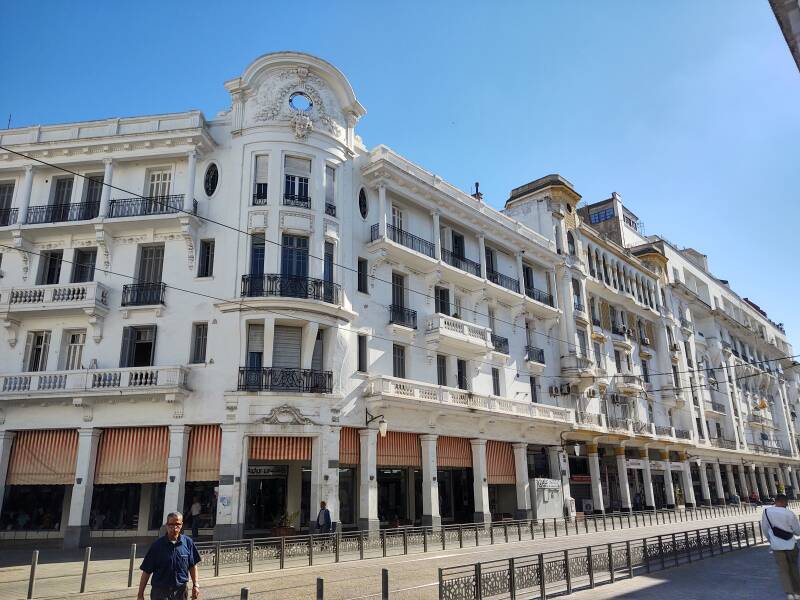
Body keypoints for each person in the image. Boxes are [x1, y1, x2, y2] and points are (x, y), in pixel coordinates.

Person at [137, 512, 201, 600]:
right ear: (166, 525)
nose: (174, 527)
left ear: (181, 525)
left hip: (180, 592)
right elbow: (146, 571)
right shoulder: (157, 545)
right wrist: (140, 594)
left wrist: (196, 585)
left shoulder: (188, 543)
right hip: (160, 593)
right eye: (171, 524)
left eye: (177, 524)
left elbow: (192, 565)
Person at [761, 493, 800, 598]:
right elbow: (797, 531)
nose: (787, 505)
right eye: (786, 503)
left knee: (783, 570)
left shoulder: (766, 512)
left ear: (776, 501)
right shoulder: (789, 514)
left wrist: (771, 540)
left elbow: (765, 529)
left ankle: (789, 593)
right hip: (791, 544)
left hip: (777, 546)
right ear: (784, 502)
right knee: (794, 568)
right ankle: (797, 592)